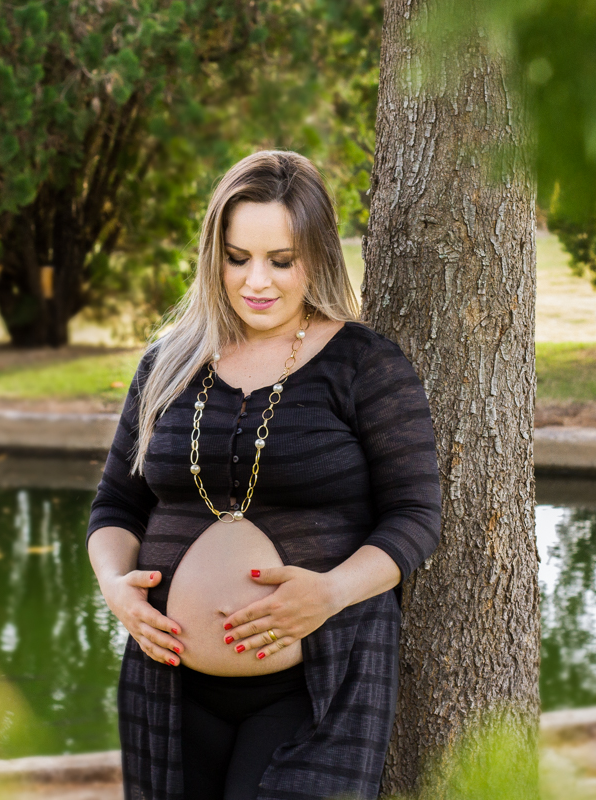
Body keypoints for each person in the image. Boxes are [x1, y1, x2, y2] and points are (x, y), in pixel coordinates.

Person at [85, 150, 442, 800]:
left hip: (314, 688)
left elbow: (416, 519)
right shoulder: (168, 364)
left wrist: (329, 593)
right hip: (166, 687)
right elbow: (116, 505)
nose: (257, 281)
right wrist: (115, 587)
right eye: (237, 257)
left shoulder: (365, 366)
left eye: (282, 260)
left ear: (318, 255)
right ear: (213, 255)